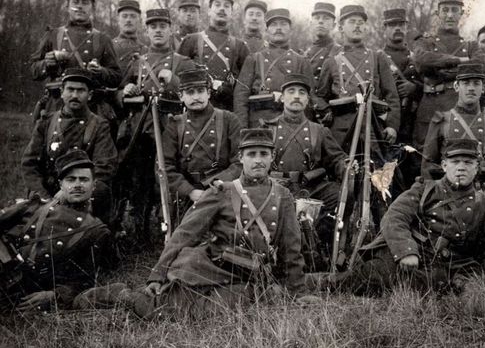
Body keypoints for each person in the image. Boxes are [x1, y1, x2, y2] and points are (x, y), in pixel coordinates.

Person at [76, 128, 315, 319]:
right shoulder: (222, 191)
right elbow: (185, 233)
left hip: (250, 275)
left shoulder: (282, 195)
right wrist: (157, 275)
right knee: (161, 310)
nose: (258, 161)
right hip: (212, 267)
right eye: (252, 154)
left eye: (264, 154)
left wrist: (298, 291)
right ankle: (122, 295)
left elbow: (291, 247)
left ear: (273, 157)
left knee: (223, 311)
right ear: (240, 158)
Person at [336, 138, 485, 296]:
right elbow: (395, 217)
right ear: (444, 166)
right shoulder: (424, 190)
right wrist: (406, 251)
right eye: (455, 162)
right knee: (367, 278)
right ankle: (315, 282)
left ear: (477, 167)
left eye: (468, 163)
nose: (461, 167)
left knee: (472, 294)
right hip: (416, 260)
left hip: (455, 268)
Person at [117, 8, 195, 240]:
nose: (158, 31)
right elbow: (118, 91)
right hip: (140, 128)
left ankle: (171, 227)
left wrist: (174, 81)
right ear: (147, 31)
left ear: (171, 30)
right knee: (139, 178)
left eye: (163, 26)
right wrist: (125, 91)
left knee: (167, 175)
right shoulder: (138, 62)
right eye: (153, 27)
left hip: (170, 126)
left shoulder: (183, 62)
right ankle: (139, 230)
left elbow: (194, 93)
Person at [1, 150, 111, 312]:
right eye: (71, 179)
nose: (77, 185)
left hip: (27, 291)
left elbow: (85, 280)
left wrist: (54, 295)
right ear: (61, 185)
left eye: (84, 179)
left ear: (94, 186)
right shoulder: (33, 206)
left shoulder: (96, 231)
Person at [261, 73, 350, 270]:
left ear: (308, 100)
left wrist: (347, 167)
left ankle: (320, 250)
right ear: (282, 97)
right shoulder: (268, 128)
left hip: (311, 189)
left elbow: (337, 158)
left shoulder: (319, 130)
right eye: (291, 92)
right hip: (278, 188)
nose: (296, 97)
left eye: (302, 93)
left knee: (337, 195)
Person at [21, 69, 117, 224]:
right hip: (49, 191)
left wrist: (69, 191)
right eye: (70, 90)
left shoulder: (100, 125)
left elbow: (104, 166)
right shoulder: (46, 123)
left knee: (101, 192)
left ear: (90, 95)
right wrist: (44, 196)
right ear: (61, 92)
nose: (74, 95)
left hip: (81, 191)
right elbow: (29, 164)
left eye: (80, 91)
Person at [30, 0, 121, 124]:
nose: (80, 6)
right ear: (67, 7)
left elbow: (116, 77)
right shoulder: (53, 35)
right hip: (56, 106)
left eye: (85, 3)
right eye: (75, 2)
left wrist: (100, 71)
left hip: (93, 109)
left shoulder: (103, 39)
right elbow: (33, 71)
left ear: (92, 8)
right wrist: (47, 63)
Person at [314, 4, 400, 151]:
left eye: (361, 23)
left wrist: (392, 126)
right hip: (341, 129)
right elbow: (320, 96)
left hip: (372, 126)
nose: (357, 26)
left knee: (377, 170)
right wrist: (326, 111)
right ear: (341, 28)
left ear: (366, 28)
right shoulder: (331, 61)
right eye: (352, 22)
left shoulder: (378, 57)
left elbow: (392, 95)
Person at [162, 67, 242, 224]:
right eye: (190, 92)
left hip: (221, 191)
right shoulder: (175, 124)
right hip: (188, 196)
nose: (196, 97)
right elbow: (165, 167)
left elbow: (239, 162)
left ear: (209, 93)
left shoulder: (229, 120)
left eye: (200, 91)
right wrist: (189, 191)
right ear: (181, 96)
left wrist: (216, 184)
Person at [412, 0, 485, 150]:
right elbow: (421, 60)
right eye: (445, 10)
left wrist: (438, 68)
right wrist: (458, 61)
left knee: (459, 150)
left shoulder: (471, 45)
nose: (450, 15)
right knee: (423, 153)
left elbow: (480, 65)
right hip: (430, 106)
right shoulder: (426, 42)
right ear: (437, 13)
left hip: (458, 104)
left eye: (454, 10)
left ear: (462, 13)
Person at [421, 63, 485, 188]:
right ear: (456, 86)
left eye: (476, 83)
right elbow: (428, 164)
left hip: (482, 191)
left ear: (483, 88)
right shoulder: (442, 120)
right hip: (447, 190)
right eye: (466, 83)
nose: (471, 88)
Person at [234, 8, 313, 128]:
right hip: (259, 123)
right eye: (274, 24)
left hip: (291, 124)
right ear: (266, 30)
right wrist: (243, 130)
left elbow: (309, 99)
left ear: (290, 30)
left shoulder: (302, 61)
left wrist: (304, 128)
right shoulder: (254, 59)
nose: (279, 28)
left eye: (283, 24)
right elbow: (241, 97)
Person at [178, 0, 250, 111]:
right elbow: (178, 77)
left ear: (231, 13)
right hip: (196, 110)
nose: (222, 9)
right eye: (217, 5)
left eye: (227, 6)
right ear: (209, 11)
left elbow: (245, 85)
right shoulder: (191, 40)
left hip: (227, 110)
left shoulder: (240, 46)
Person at [380, 8, 422, 145]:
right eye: (392, 25)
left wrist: (414, 88)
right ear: (384, 29)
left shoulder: (417, 57)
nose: (397, 28)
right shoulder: (377, 58)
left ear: (406, 28)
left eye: (401, 24)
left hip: (413, 122)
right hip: (386, 123)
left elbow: (429, 87)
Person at [303, 2, 342, 83]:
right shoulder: (305, 53)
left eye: (326, 18)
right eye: (317, 18)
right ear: (311, 24)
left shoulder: (339, 52)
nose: (320, 21)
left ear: (334, 25)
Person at [111, 0, 148, 73]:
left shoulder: (145, 51)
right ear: (118, 19)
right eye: (124, 16)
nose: (128, 20)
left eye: (133, 16)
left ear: (140, 20)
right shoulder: (108, 46)